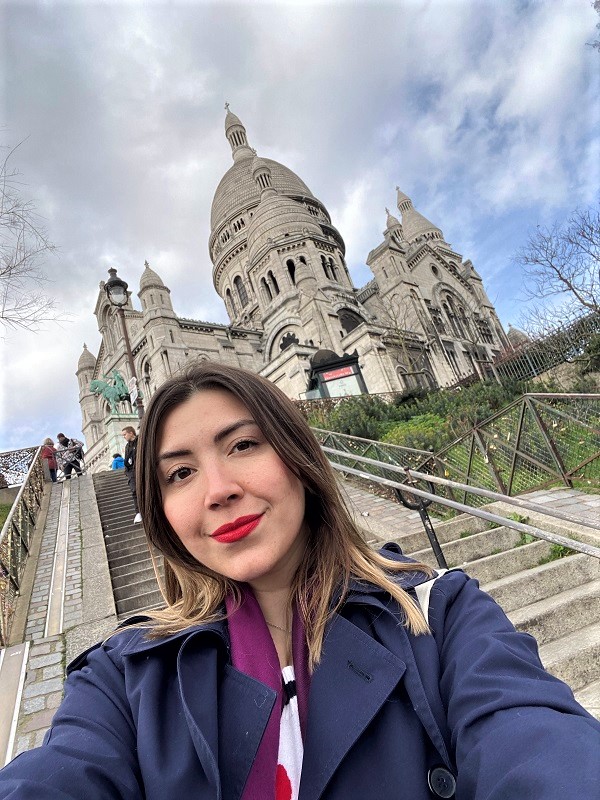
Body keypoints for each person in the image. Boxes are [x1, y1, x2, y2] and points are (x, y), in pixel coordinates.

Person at [1, 362, 598, 800]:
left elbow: (539, 746)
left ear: (299, 455)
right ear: (161, 513)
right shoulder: (123, 680)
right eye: (180, 473)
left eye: (242, 444)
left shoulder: (440, 617)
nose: (218, 490)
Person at [122, 425, 141, 523]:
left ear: (131, 433)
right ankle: (138, 512)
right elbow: (126, 459)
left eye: (125, 434)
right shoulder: (127, 446)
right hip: (132, 472)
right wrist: (127, 472)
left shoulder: (140, 441)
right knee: (134, 491)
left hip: (141, 469)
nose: (124, 437)